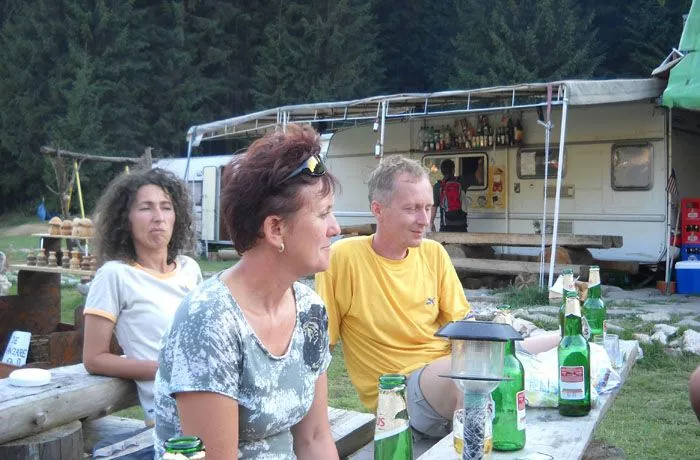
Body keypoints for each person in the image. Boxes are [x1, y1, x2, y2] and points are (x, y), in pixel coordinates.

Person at [154, 124, 341, 459]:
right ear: (275, 229)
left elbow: (314, 438)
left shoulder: (310, 310)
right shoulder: (210, 322)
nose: (335, 228)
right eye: (324, 214)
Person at [316, 155, 470, 439]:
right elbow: (321, 347)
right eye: (411, 209)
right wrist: (316, 432)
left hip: (447, 371)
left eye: (428, 207)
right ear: (378, 210)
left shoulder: (434, 254)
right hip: (399, 394)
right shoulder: (343, 258)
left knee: (537, 349)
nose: (424, 220)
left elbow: (463, 328)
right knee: (474, 377)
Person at [82, 168, 203, 426]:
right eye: (146, 208)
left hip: (214, 393)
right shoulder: (114, 275)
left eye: (166, 207)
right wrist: (163, 370)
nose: (158, 217)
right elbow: (93, 358)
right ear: (125, 219)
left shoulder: (190, 269)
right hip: (171, 416)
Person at [430, 159, 469, 232]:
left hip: (445, 226)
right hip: (461, 226)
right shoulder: (462, 182)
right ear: (453, 170)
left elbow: (434, 206)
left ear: (442, 172)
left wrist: (431, 222)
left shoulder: (438, 186)